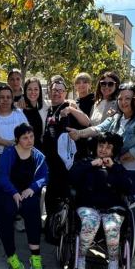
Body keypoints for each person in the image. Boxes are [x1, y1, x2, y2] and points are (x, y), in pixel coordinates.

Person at [69, 82, 135, 269]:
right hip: (105, 178)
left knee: (131, 216)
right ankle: (84, 256)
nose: (123, 102)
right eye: (121, 98)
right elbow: (97, 129)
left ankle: (130, 256)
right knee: (94, 220)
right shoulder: (116, 119)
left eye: (128, 99)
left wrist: (111, 159)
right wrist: (80, 133)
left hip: (131, 172)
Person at [69, 132, 132, 269]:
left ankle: (114, 262)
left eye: (108, 147)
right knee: (91, 222)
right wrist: (91, 164)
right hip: (88, 205)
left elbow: (128, 188)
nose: (103, 149)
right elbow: (72, 178)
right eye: (101, 145)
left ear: (113, 150)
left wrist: (114, 168)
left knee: (112, 227)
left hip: (112, 208)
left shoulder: (118, 168)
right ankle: (81, 258)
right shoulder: (85, 162)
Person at [0, 123, 47, 269]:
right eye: (25, 138)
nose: (29, 140)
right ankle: (11, 255)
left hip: (23, 192)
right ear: (18, 139)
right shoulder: (9, 153)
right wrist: (13, 192)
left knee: (32, 208)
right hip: (1, 191)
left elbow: (44, 176)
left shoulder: (38, 156)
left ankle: (35, 255)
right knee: (8, 210)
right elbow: (1, 176)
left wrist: (32, 188)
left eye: (31, 136)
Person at [40, 76, 90, 216]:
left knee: (65, 198)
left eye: (60, 91)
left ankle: (61, 232)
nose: (57, 93)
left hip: (66, 164)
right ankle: (51, 226)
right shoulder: (49, 108)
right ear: (50, 92)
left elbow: (87, 122)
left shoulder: (69, 106)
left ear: (65, 93)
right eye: (54, 90)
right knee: (51, 197)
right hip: (51, 162)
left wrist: (72, 110)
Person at [0, 86, 29, 174]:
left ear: (12, 99)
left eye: (8, 97)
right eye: (2, 97)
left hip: (17, 156)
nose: (5, 100)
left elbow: (27, 132)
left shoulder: (18, 113)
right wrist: (10, 143)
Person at [21, 77, 47, 149]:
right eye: (29, 89)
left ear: (40, 91)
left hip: (40, 149)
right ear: (25, 91)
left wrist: (71, 102)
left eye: (36, 89)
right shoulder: (20, 109)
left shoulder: (46, 106)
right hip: (24, 150)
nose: (33, 92)